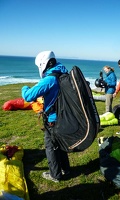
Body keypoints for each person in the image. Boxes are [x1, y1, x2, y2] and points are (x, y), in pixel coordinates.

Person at [22, 51, 70, 183]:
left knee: (50, 146)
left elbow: (28, 96)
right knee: (60, 144)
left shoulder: (49, 79)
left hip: (53, 119)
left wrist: (24, 87)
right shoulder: (63, 73)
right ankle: (66, 169)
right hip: (64, 116)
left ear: (44, 64)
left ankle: (55, 175)